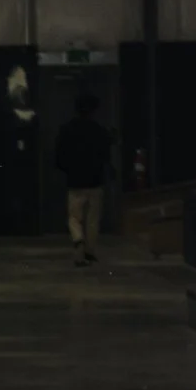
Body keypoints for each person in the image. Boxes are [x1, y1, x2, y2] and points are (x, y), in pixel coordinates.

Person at [55, 95, 112, 266]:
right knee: (93, 218)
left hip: (75, 180)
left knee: (74, 216)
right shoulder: (99, 130)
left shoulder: (66, 129)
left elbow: (60, 156)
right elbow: (105, 155)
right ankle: (90, 250)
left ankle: (78, 239)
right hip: (95, 180)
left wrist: (67, 169)